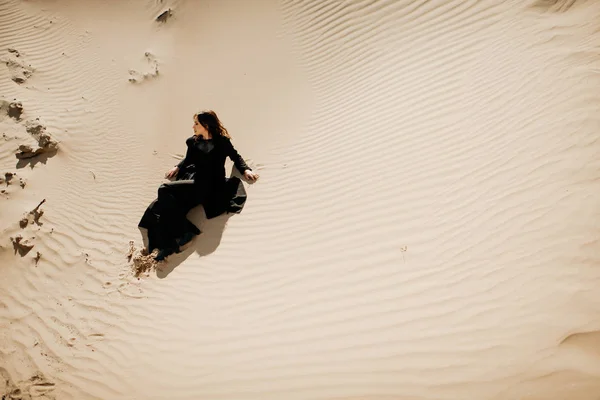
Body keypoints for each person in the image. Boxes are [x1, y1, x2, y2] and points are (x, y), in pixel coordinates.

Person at [138, 110, 259, 261]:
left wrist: (246, 169)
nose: (193, 126)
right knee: (166, 202)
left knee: (164, 190)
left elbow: (236, 157)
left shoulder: (222, 142)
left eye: (196, 123)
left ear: (206, 125)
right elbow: (188, 160)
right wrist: (178, 167)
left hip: (216, 187)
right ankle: (175, 238)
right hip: (198, 184)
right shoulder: (193, 142)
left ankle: (185, 231)